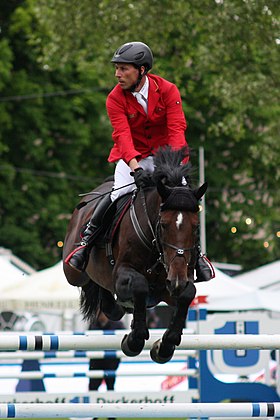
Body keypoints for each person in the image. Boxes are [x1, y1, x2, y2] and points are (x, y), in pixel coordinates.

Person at [65, 41, 212, 283]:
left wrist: (173, 166)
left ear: (142, 70)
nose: (117, 74)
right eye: (117, 69)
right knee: (114, 195)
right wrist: (136, 168)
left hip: (167, 155)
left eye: (123, 69)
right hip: (132, 156)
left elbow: (177, 129)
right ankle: (86, 242)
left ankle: (198, 257)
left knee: (184, 200)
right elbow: (121, 135)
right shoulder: (115, 98)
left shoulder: (168, 90)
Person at [88, 311, 124, 392]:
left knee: (110, 386)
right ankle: (91, 403)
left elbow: (123, 341)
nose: (101, 316)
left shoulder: (117, 324)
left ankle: (110, 402)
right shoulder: (93, 324)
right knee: (93, 386)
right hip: (96, 360)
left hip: (111, 360)